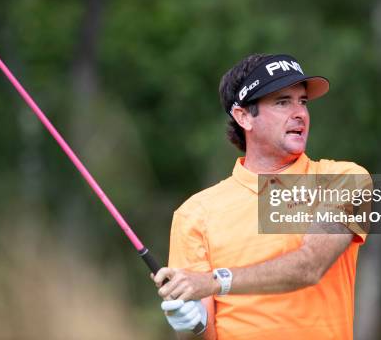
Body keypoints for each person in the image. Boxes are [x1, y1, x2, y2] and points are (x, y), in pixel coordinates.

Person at [152, 54, 369, 339]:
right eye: (282, 102)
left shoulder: (346, 178)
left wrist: (215, 282)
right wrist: (192, 324)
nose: (300, 113)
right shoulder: (194, 214)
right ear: (244, 116)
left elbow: (310, 267)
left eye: (302, 101)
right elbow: (201, 334)